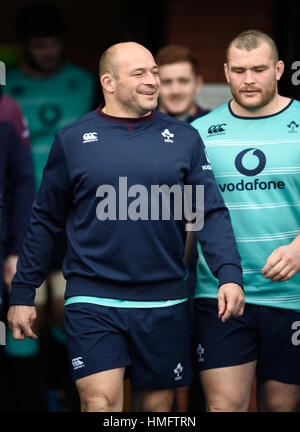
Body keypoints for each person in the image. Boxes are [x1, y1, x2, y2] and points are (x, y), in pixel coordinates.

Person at [7, 41, 244, 412]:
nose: (153, 81)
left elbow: (208, 212)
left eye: (154, 73)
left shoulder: (184, 139)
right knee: (99, 402)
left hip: (164, 299)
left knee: (156, 410)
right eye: (140, 74)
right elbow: (45, 219)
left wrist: (228, 273)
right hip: (93, 296)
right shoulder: (72, 140)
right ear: (109, 82)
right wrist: (23, 292)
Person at [192, 29, 300, 412]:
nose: (249, 79)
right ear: (225, 71)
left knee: (281, 406)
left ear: (280, 69)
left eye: (259, 69)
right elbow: (188, 215)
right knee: (223, 406)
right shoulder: (199, 133)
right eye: (239, 70)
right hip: (220, 293)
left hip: (292, 297)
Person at [4, 1, 95, 411]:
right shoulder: (8, 89)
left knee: (68, 312)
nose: (49, 52)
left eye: (55, 43)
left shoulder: (85, 82)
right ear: (24, 46)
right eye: (40, 45)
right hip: (22, 220)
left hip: (76, 219)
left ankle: (64, 393)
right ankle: (28, 399)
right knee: (23, 313)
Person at [155, 44, 209, 412]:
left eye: (183, 81)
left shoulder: (215, 129)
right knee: (161, 379)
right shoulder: (137, 130)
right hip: (156, 273)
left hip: (209, 272)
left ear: (198, 83)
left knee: (210, 374)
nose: (174, 89)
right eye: (167, 80)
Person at [156, 45, 209, 122]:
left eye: (183, 81)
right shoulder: (141, 126)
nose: (175, 91)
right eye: (166, 82)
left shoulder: (213, 126)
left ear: (198, 84)